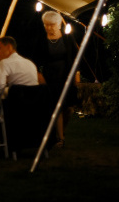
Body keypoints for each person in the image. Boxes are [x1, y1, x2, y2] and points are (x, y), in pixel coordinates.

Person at [31, 10, 79, 148]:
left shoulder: (67, 38)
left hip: (66, 75)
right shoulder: (41, 39)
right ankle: (60, 138)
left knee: (69, 108)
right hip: (50, 77)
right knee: (56, 107)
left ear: (59, 25)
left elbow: (75, 57)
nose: (48, 27)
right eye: (46, 25)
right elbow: (34, 59)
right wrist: (38, 75)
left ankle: (60, 133)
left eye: (51, 25)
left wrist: (76, 77)